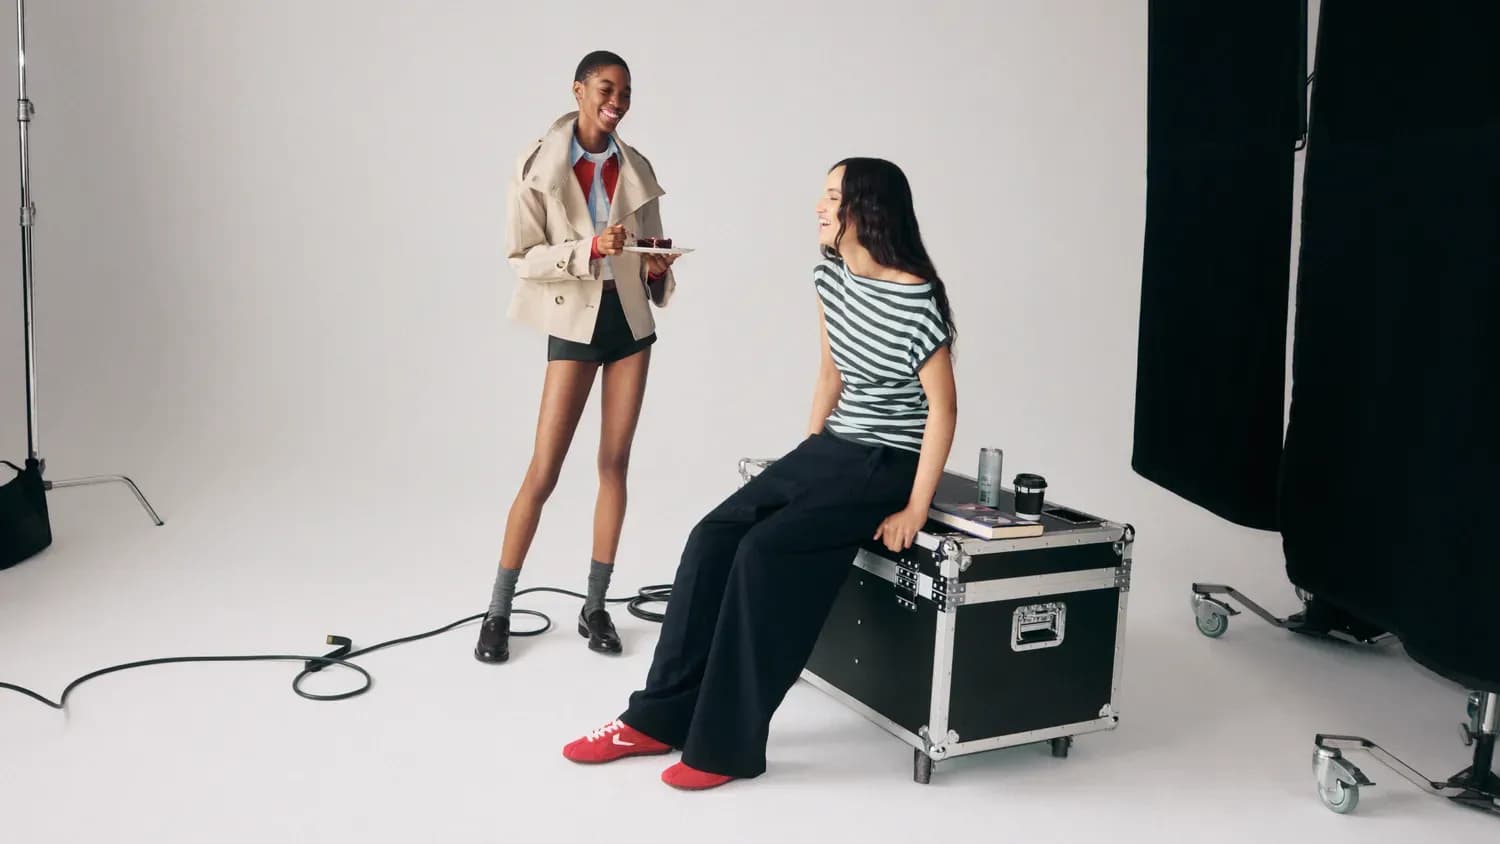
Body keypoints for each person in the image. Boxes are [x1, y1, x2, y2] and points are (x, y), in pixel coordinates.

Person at [560, 158, 958, 789]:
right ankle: (657, 718)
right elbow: (830, 372)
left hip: (889, 460)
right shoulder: (830, 276)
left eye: (833, 196)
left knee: (763, 553)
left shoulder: (916, 297)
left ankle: (725, 747)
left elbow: (943, 409)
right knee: (712, 537)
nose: (820, 206)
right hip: (833, 447)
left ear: (868, 208)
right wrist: (807, 453)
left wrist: (915, 507)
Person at [476, 50, 680, 664]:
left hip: (629, 323)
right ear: (578, 90)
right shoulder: (537, 164)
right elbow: (522, 258)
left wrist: (656, 267)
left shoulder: (636, 167)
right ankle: (498, 610)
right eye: (606, 89)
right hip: (575, 319)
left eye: (626, 93)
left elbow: (650, 255)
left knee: (614, 464)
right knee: (544, 470)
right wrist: (589, 248)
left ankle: (596, 606)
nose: (617, 101)